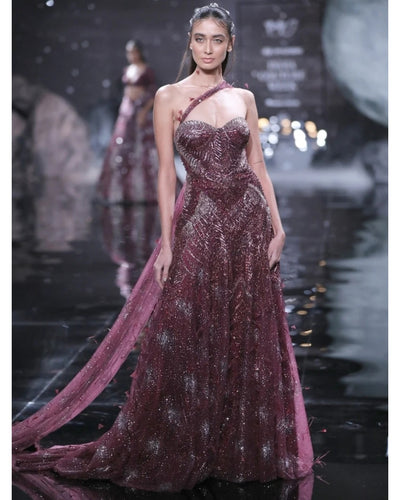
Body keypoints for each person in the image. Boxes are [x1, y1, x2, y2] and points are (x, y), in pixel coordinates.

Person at [12, 3, 315, 493]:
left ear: (230, 45)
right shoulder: (169, 95)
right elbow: (164, 175)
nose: (208, 48)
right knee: (188, 329)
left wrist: (278, 230)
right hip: (198, 221)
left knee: (245, 332)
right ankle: (183, 440)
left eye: (217, 40)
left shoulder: (243, 97)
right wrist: (168, 243)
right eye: (200, 39)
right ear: (190, 42)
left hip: (249, 223)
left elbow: (257, 165)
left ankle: (235, 445)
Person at [97, 39, 158, 204]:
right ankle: (124, 190)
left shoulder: (146, 70)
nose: (131, 55)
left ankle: (145, 190)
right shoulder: (127, 69)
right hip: (126, 111)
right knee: (122, 146)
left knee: (143, 148)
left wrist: (144, 111)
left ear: (140, 52)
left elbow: (153, 94)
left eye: (134, 52)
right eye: (129, 52)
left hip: (140, 111)